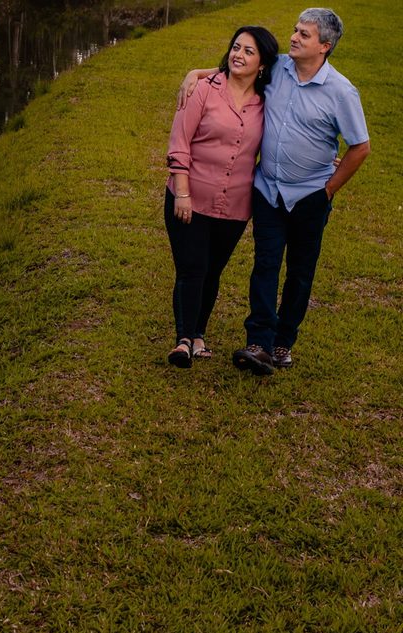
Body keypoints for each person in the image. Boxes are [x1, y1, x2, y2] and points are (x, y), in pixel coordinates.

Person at [179, 7, 370, 375]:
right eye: (295, 30)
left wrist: (328, 191)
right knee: (265, 265)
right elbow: (235, 70)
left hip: (311, 197)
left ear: (325, 46)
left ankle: (283, 342)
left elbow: (360, 146)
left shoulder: (341, 92)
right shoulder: (278, 68)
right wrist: (195, 73)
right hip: (268, 191)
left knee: (299, 271)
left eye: (304, 34)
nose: (294, 37)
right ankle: (259, 341)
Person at [164, 26, 279, 368]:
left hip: (235, 205)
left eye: (248, 51)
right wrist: (181, 192)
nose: (238, 55)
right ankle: (183, 340)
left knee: (213, 270)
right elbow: (179, 143)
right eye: (235, 47)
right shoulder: (202, 90)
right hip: (191, 196)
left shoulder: (266, 101)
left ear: (262, 64)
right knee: (192, 267)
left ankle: (199, 334)